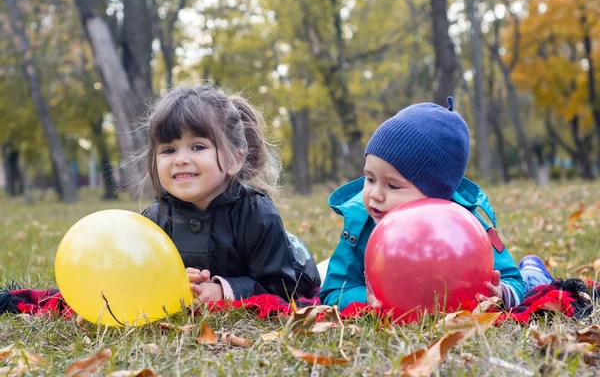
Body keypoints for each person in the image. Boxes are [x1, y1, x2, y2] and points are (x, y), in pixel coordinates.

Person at [319, 98, 529, 310]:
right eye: (370, 179)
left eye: (393, 186)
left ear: (435, 197)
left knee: (531, 281)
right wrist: (363, 298)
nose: (375, 195)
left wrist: (501, 293)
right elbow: (333, 291)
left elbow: (513, 280)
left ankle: (533, 269)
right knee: (324, 271)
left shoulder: (468, 231)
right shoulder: (360, 226)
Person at [139, 84, 320, 303]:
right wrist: (171, 280)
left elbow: (281, 287)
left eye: (197, 147)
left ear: (235, 159)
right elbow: (141, 274)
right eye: (168, 150)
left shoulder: (258, 215)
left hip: (299, 268)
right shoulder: (153, 220)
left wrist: (226, 290)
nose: (180, 160)